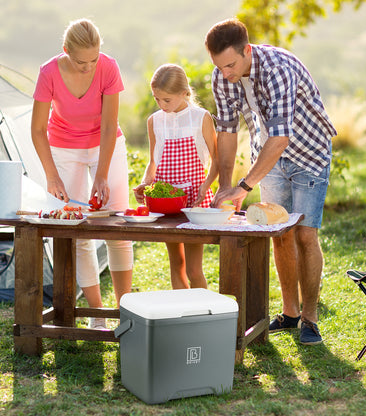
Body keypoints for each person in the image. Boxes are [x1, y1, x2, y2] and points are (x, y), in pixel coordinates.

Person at [205, 18, 336, 345]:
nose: (226, 74)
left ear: (247, 50)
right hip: (267, 157)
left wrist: (244, 186)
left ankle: (310, 318)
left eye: (231, 65)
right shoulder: (223, 76)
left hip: (308, 152)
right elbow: (226, 132)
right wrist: (225, 185)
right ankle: (290, 313)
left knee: (305, 234)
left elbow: (281, 138)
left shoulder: (277, 69)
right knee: (279, 233)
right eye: (219, 67)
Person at [31, 18, 133, 328]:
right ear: (66, 51)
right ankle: (98, 315)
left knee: (118, 223)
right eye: (80, 61)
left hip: (106, 144)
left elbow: (107, 124)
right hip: (64, 148)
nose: (89, 67)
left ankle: (124, 312)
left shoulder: (108, 67)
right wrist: (52, 175)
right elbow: (37, 130)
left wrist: (101, 174)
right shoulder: (48, 72)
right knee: (77, 227)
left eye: (94, 59)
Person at [133, 63, 218, 290]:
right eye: (156, 99)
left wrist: (206, 185)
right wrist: (145, 184)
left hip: (194, 201)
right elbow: (153, 162)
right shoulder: (154, 121)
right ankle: (183, 314)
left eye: (166, 100)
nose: (161, 105)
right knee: (176, 263)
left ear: (184, 93)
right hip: (166, 203)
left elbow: (216, 160)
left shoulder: (201, 117)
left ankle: (202, 313)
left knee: (193, 268)